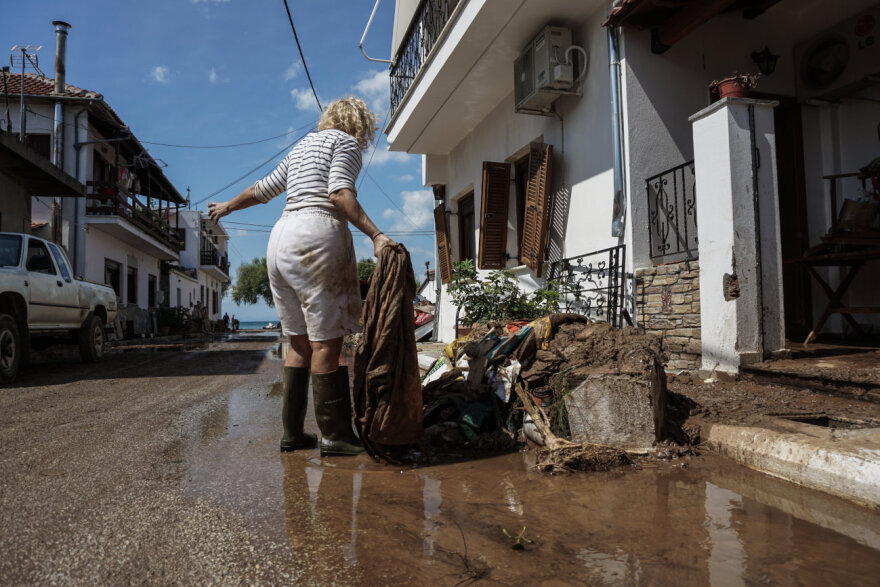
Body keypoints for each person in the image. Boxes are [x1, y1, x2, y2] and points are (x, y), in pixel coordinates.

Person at [208, 96, 394, 457]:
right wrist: (376, 235)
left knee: (299, 344)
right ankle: (336, 436)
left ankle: (293, 434)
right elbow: (339, 193)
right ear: (360, 125)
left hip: (280, 240)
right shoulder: (346, 143)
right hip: (315, 236)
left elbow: (262, 190)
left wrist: (228, 206)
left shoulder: (303, 146)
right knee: (327, 343)